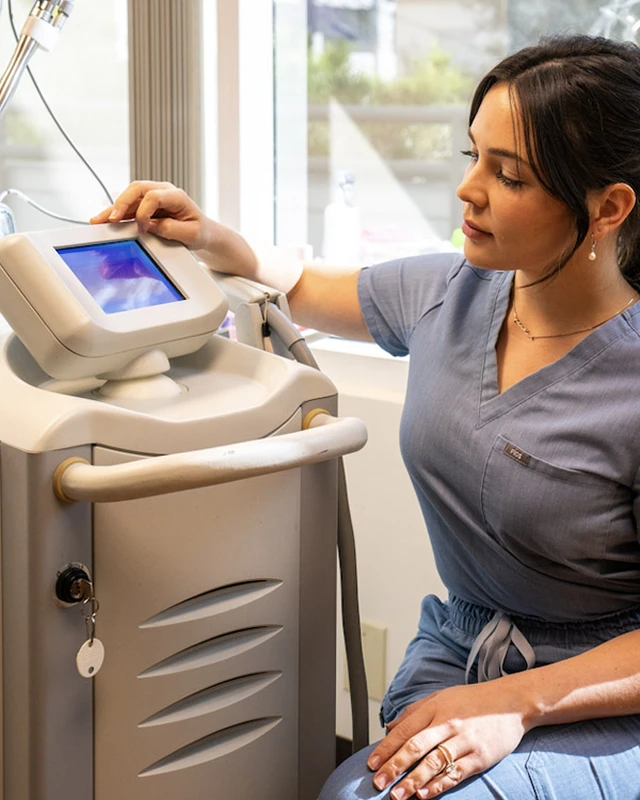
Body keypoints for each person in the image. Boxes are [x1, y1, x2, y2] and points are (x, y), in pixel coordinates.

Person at [91, 34, 640, 799]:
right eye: (471, 157)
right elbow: (310, 286)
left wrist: (515, 702)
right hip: (464, 652)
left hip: (603, 693)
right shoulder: (453, 292)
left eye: (507, 174)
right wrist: (210, 237)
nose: (468, 190)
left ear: (608, 207)